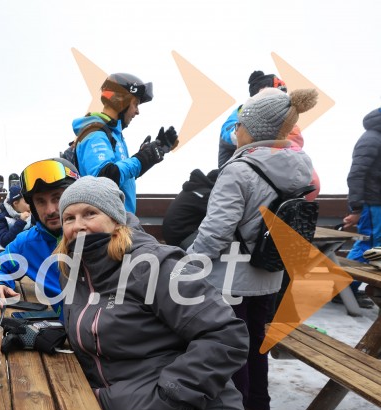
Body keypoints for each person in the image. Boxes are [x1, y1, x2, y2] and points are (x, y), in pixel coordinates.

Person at [56, 176, 248, 410]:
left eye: (90, 213)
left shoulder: (156, 264)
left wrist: (169, 396)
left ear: (116, 219)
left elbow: (226, 336)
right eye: (69, 217)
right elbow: (104, 338)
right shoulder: (79, 273)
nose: (78, 225)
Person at [188, 88, 319, 410]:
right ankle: (259, 408)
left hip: (232, 276)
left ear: (255, 129)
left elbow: (216, 231)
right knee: (257, 340)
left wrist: (188, 265)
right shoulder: (300, 167)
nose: (236, 130)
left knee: (232, 344)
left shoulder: (239, 171)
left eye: (240, 123)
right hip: (270, 270)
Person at [72, 72, 178, 213]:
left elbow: (122, 179)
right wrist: (142, 157)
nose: (137, 111)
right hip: (106, 226)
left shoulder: (114, 135)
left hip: (119, 222)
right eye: (135, 104)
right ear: (120, 102)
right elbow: (106, 177)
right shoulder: (96, 134)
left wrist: (149, 157)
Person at [217, 71, 322, 202]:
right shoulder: (243, 113)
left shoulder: (287, 128)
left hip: (250, 190)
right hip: (242, 184)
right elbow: (229, 134)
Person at [0, 158, 77, 308]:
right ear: (33, 207)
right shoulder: (28, 243)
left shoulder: (98, 235)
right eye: (41, 201)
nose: (50, 210)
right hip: (67, 325)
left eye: (58, 198)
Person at [343, 107, 381, 294]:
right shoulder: (372, 139)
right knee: (368, 246)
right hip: (372, 204)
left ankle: (349, 289)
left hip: (376, 204)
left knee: (374, 247)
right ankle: (345, 291)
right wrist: (356, 209)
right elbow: (356, 174)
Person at [161, 168, 219, 249]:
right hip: (182, 241)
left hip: (174, 238)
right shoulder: (204, 194)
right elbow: (220, 215)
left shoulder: (195, 188)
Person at [0, 184, 31, 264]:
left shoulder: (30, 214)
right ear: (16, 203)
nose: (30, 204)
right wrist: (21, 222)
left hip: (19, 250)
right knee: (12, 261)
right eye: (26, 201)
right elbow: (4, 241)